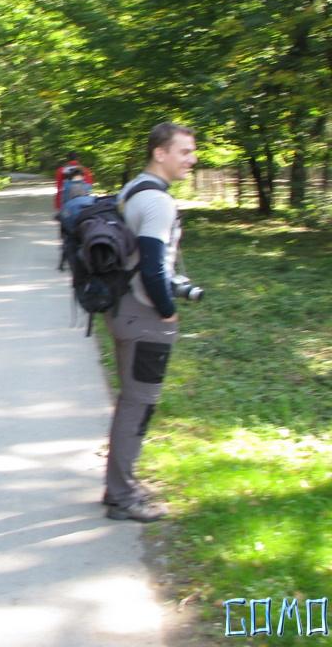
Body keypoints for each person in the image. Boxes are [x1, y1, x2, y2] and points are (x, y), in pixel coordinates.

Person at [103, 122, 197, 522]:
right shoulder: (158, 202)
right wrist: (167, 309)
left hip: (122, 307)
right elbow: (154, 267)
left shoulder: (133, 189)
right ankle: (123, 497)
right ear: (160, 153)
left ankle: (120, 486)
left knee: (132, 400)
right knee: (138, 404)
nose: (192, 160)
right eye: (184, 152)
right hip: (144, 315)